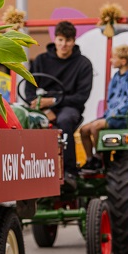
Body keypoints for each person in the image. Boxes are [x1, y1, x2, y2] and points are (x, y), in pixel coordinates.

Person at [25, 20, 94, 183]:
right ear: (55, 39)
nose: (64, 44)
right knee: (22, 119)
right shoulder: (41, 61)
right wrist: (39, 106)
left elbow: (81, 97)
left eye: (68, 41)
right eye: (61, 40)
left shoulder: (83, 64)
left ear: (74, 41)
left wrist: (53, 101)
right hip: (42, 107)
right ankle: (28, 170)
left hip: (69, 107)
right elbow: (29, 88)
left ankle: (69, 171)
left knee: (64, 121)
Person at [79, 44, 128, 170]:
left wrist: (115, 113)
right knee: (84, 130)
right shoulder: (116, 76)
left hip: (124, 118)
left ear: (123, 61)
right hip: (112, 115)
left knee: (95, 126)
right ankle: (90, 159)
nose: (111, 60)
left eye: (114, 58)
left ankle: (99, 157)